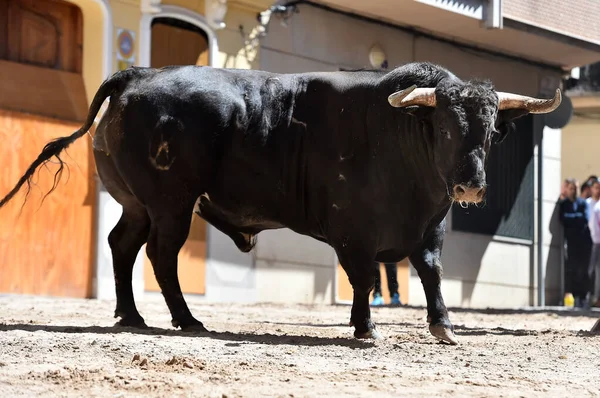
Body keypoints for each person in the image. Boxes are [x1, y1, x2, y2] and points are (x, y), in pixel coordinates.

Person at [559, 178, 592, 307]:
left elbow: (585, 218)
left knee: (583, 270)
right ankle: (574, 296)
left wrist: (572, 218)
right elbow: (563, 219)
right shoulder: (564, 204)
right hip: (571, 242)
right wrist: (575, 217)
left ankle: (583, 297)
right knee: (572, 269)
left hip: (584, 242)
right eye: (571, 188)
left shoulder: (583, 203)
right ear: (568, 189)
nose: (574, 191)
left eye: (576, 188)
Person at [588, 178, 600, 307]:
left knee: (598, 271)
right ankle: (588, 296)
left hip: (598, 242)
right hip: (588, 241)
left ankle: (596, 298)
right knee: (589, 270)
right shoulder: (587, 203)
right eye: (596, 187)